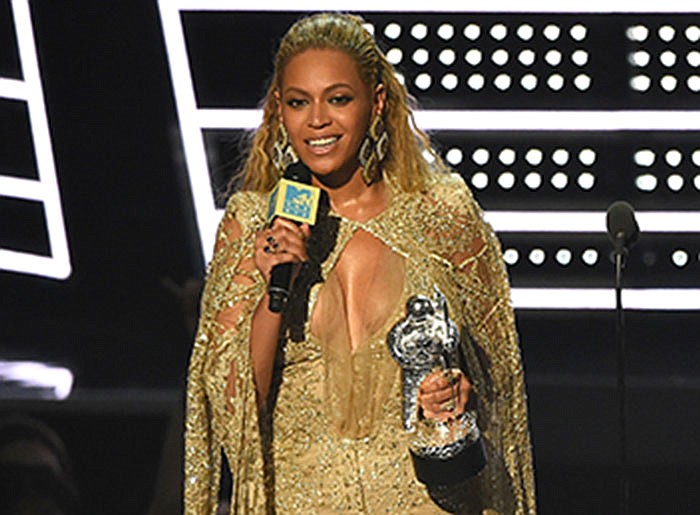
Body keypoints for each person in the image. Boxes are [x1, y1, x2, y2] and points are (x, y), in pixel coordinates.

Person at [185, 12, 536, 514]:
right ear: (279, 111)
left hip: (422, 499)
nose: (318, 120)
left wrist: (459, 395)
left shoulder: (442, 214)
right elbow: (232, 409)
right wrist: (272, 293)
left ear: (375, 104)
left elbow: (498, 384)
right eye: (299, 102)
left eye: (339, 99)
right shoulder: (252, 223)